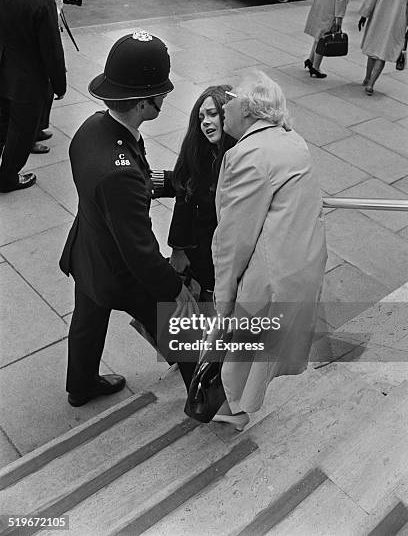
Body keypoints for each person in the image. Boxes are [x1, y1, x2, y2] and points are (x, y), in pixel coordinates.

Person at [60, 31, 197, 407]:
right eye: (162, 93)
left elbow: (117, 189)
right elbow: (141, 252)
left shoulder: (93, 128)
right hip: (121, 269)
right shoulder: (119, 171)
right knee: (179, 327)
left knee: (87, 324)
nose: (165, 97)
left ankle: (81, 384)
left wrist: (170, 182)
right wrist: (174, 290)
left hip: (88, 249)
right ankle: (207, 399)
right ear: (143, 102)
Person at [211, 70, 327, 430]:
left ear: (248, 108)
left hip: (269, 277)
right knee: (264, 351)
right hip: (302, 265)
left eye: (230, 98)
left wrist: (224, 297)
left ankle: (232, 411)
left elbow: (235, 238)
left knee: (243, 352)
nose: (224, 105)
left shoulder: (248, 154)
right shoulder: (293, 140)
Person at [152, 85, 235, 301]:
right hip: (200, 255)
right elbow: (185, 197)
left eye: (212, 114)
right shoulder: (199, 153)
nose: (205, 121)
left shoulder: (245, 157)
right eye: (201, 117)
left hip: (233, 256)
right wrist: (178, 249)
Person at [0, 0, 66, 193]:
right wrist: (59, 84)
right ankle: (7, 177)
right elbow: (51, 48)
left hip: (2, 68)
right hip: (27, 79)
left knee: (3, 122)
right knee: (22, 131)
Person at [358, 0, 408, 95]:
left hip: (378, 17)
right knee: (383, 53)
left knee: (373, 49)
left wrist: (364, 16)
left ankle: (367, 77)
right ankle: (371, 84)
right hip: (397, 22)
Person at [31, 0, 63, 154]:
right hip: (34, 56)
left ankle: (38, 128)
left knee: (47, 92)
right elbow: (50, 28)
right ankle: (30, 136)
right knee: (37, 95)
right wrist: (57, 7)